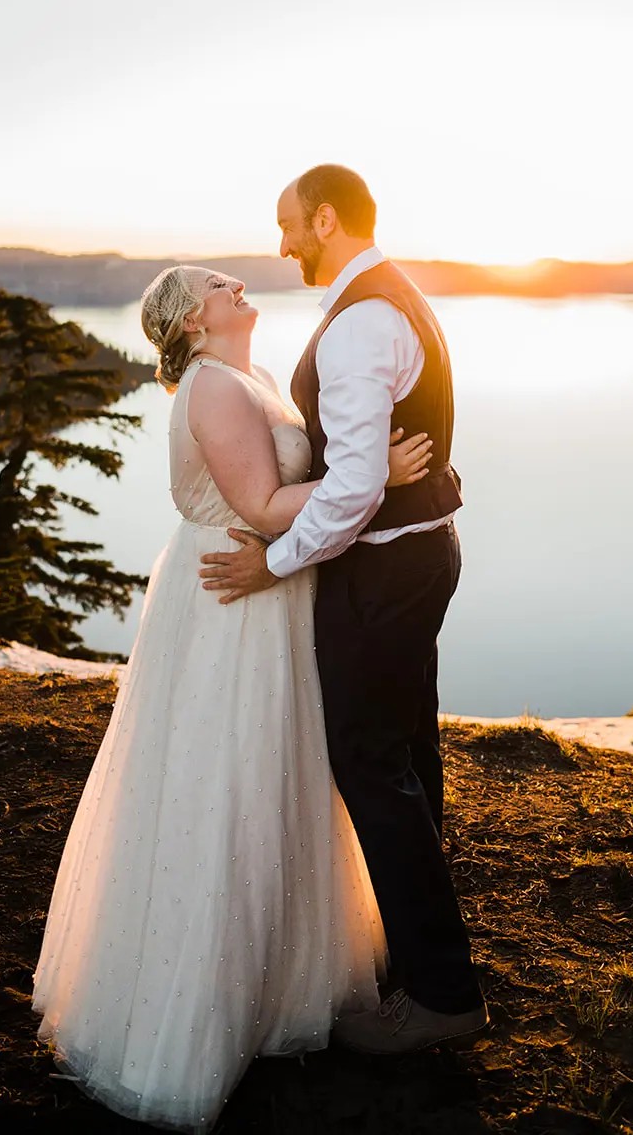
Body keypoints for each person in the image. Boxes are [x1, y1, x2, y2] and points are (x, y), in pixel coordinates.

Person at [31, 263, 432, 1129]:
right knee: (225, 783)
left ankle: (279, 985)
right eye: (217, 285)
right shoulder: (213, 387)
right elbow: (255, 501)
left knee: (272, 776)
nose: (237, 284)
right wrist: (378, 485)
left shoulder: (243, 376)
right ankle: (194, 1014)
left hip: (265, 590)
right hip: (233, 595)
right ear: (190, 326)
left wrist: (356, 476)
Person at [200, 165, 488, 1053]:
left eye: (289, 226)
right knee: (403, 754)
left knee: (369, 765)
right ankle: (422, 966)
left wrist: (274, 563)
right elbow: (375, 461)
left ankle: (441, 995)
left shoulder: (360, 321)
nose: (283, 245)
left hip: (385, 571)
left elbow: (355, 484)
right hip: (417, 553)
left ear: (326, 218)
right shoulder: (390, 297)